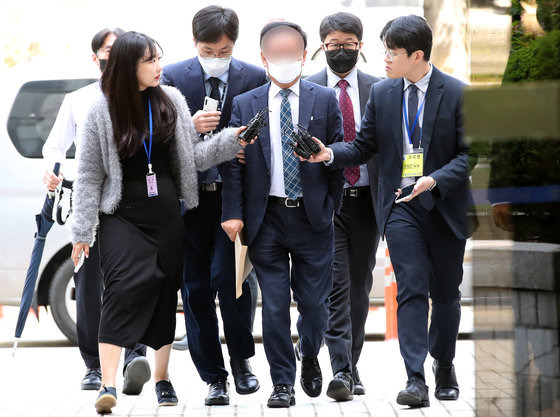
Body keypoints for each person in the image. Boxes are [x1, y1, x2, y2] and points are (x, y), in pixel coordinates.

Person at [69, 31, 253, 414]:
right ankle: (107, 383)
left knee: (165, 292)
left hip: (168, 215)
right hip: (121, 215)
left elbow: (195, 157)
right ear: (127, 66)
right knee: (121, 288)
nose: (158, 67)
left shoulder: (171, 100)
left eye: (158, 59)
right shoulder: (100, 111)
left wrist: (232, 139)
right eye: (150, 61)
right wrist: (82, 231)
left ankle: (162, 379)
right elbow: (88, 175)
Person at [305, 15, 470, 408]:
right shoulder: (384, 94)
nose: (385, 60)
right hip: (400, 207)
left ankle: (443, 365)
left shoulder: (459, 93)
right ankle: (415, 378)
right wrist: (329, 153)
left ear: (417, 55)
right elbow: (363, 146)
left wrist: (435, 179)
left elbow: (470, 153)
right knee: (411, 290)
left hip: (444, 206)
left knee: (445, 295)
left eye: (392, 53)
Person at [221, 21, 344, 408]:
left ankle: (308, 354)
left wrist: (330, 206)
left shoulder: (324, 100)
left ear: (304, 56)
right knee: (273, 305)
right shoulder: (247, 103)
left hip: (312, 217)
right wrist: (233, 213)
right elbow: (233, 164)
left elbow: (338, 157)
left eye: (292, 53)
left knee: (313, 305)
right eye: (276, 54)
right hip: (266, 219)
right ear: (263, 58)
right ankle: (282, 382)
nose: (284, 60)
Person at [160, 5, 266, 405]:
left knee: (232, 278)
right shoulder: (172, 76)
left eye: (224, 51)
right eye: (209, 50)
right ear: (194, 44)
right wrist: (190, 128)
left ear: (234, 45)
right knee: (195, 288)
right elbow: (159, 138)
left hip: (232, 198)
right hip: (188, 201)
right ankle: (213, 377)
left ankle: (242, 360)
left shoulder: (253, 77)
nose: (216, 58)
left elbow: (264, 135)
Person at [42, 28, 151, 395]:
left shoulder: (145, 97)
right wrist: (52, 171)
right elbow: (54, 147)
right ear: (96, 58)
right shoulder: (78, 100)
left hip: (135, 204)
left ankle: (135, 354)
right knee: (90, 284)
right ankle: (92, 365)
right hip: (89, 203)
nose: (114, 55)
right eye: (108, 50)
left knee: (134, 279)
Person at [304, 12, 381, 402]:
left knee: (359, 289)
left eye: (348, 44)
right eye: (332, 45)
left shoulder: (381, 88)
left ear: (360, 45)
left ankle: (351, 364)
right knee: (336, 287)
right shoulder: (309, 89)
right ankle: (341, 371)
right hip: (327, 204)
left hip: (368, 203)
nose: (340, 51)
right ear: (322, 47)